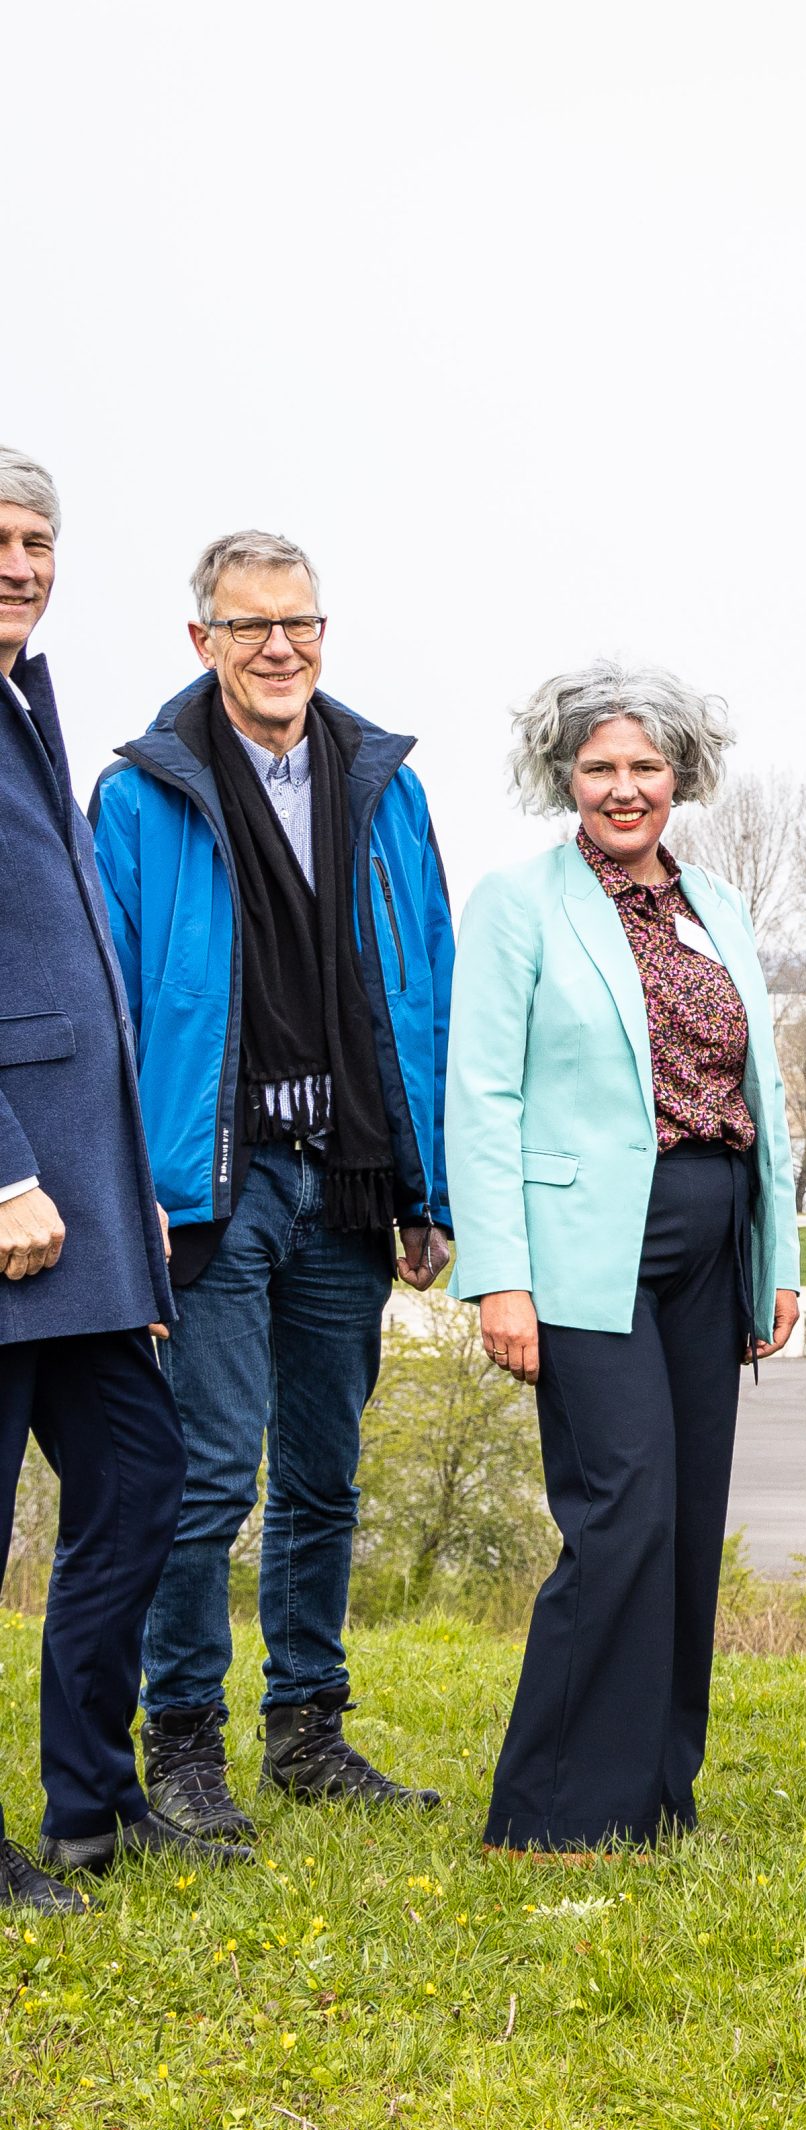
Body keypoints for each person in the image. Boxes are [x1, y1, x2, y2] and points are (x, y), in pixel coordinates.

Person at [91, 530, 451, 1837]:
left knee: (323, 1476)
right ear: (203, 641)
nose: (280, 647)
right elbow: (117, 1008)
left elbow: (426, 988)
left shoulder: (385, 785)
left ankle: (308, 1730)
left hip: (347, 1178)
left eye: (299, 622)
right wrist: (128, 1188)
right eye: (250, 626)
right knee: (205, 1479)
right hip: (214, 1183)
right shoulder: (142, 797)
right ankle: (184, 1743)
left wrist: (427, 1187)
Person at [448, 662, 798, 1854]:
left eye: (646, 765)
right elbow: (481, 1097)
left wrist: (777, 1260)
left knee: (687, 1524)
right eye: (598, 766)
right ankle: (552, 1812)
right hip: (585, 1245)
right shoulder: (519, 904)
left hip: (714, 1230)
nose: (624, 786)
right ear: (564, 778)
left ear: (681, 775)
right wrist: (500, 1276)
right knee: (624, 1512)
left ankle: (656, 1795)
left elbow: (761, 1096)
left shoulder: (720, 905)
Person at [0, 447, 234, 1901]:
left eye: (36, 539)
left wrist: (122, 1177)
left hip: (81, 1218)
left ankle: (88, 1801)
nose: (19, 563)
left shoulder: (30, 709)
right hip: (12, 1215)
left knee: (145, 1479)